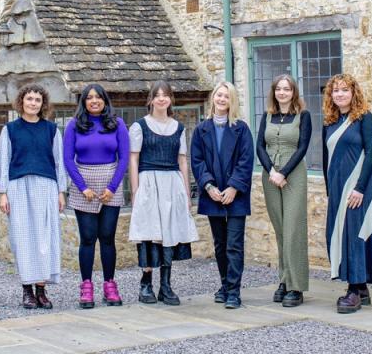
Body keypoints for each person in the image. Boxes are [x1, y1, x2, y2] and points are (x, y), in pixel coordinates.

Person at [0, 83, 68, 310]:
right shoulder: (10, 130)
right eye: (29, 99)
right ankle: (27, 289)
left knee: (45, 239)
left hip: (46, 186)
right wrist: (3, 193)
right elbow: (3, 161)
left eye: (37, 100)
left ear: (42, 103)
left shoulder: (51, 130)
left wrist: (61, 191)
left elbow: (59, 162)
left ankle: (41, 290)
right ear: (22, 102)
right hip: (19, 187)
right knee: (24, 239)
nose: (33, 103)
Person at [127, 80, 199, 306]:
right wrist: (136, 191)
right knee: (150, 232)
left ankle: (166, 285)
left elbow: (183, 161)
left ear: (170, 99)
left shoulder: (178, 128)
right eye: (157, 95)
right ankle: (146, 283)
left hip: (172, 183)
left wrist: (187, 194)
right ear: (151, 100)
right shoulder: (140, 126)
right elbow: (133, 158)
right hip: (149, 181)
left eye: (165, 95)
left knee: (170, 232)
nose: (161, 98)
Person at [63, 83, 130, 309]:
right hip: (84, 185)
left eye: (98, 98)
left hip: (111, 183)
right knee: (88, 238)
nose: (94, 101)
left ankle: (110, 285)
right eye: (89, 98)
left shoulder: (118, 124)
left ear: (104, 100)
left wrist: (112, 187)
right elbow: (67, 160)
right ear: (83, 102)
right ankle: (86, 286)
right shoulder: (74, 125)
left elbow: (124, 159)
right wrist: (83, 187)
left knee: (108, 237)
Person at [190, 81, 254, 309]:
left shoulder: (241, 129)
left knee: (234, 244)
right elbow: (196, 162)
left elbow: (246, 161)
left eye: (226, 96)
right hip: (213, 194)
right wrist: (209, 187)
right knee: (220, 244)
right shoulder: (201, 130)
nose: (221, 99)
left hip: (235, 195)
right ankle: (225, 285)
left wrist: (234, 187)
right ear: (213, 98)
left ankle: (234, 291)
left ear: (232, 100)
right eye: (219, 95)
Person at [321, 73, 372, 313]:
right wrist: (329, 190)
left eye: (344, 90)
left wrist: (360, 189)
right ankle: (362, 287)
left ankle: (353, 291)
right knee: (337, 234)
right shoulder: (330, 121)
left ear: (353, 93)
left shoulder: (365, 119)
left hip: (357, 188)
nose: (340, 94)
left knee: (354, 235)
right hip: (337, 188)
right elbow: (326, 159)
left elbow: (371, 154)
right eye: (335, 91)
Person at [256, 74, 312, 307]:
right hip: (270, 177)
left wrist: (283, 173)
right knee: (280, 229)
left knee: (293, 230)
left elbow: (303, 147)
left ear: (293, 92)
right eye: (279, 89)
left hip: (293, 175)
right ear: (274, 92)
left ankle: (296, 286)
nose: (282, 93)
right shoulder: (268, 115)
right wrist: (271, 171)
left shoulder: (303, 116)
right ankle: (284, 279)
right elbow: (259, 145)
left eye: (287, 89)